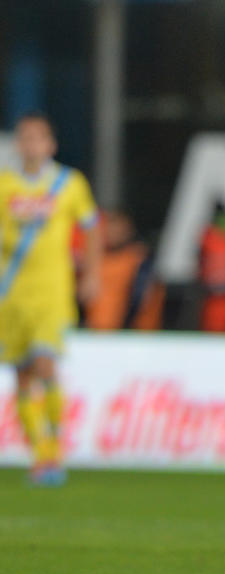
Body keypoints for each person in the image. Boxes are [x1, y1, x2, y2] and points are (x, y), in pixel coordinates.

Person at [0, 112, 102, 485]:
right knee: (22, 373)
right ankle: (39, 456)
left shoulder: (68, 183)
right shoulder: (5, 185)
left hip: (52, 293)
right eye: (25, 138)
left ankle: (53, 450)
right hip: (10, 295)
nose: (31, 145)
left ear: (50, 145)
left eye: (38, 138)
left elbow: (91, 228)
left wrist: (92, 273)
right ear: (18, 144)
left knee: (45, 364)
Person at [83, 209, 164, 330]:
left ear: (127, 230)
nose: (111, 232)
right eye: (108, 228)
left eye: (116, 228)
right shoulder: (95, 259)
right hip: (98, 330)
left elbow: (142, 298)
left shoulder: (139, 259)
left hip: (132, 334)